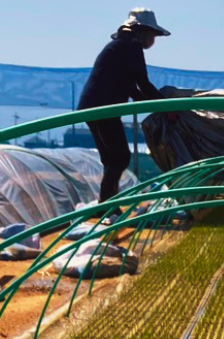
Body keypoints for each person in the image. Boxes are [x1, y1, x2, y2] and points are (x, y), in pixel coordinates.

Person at [79, 8, 170, 205]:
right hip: (102, 108)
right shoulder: (131, 45)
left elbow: (133, 90)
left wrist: (156, 106)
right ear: (143, 31)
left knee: (111, 158)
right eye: (153, 35)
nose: (153, 40)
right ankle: (106, 205)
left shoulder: (120, 46)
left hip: (92, 106)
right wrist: (166, 107)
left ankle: (106, 204)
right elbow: (143, 83)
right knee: (120, 157)